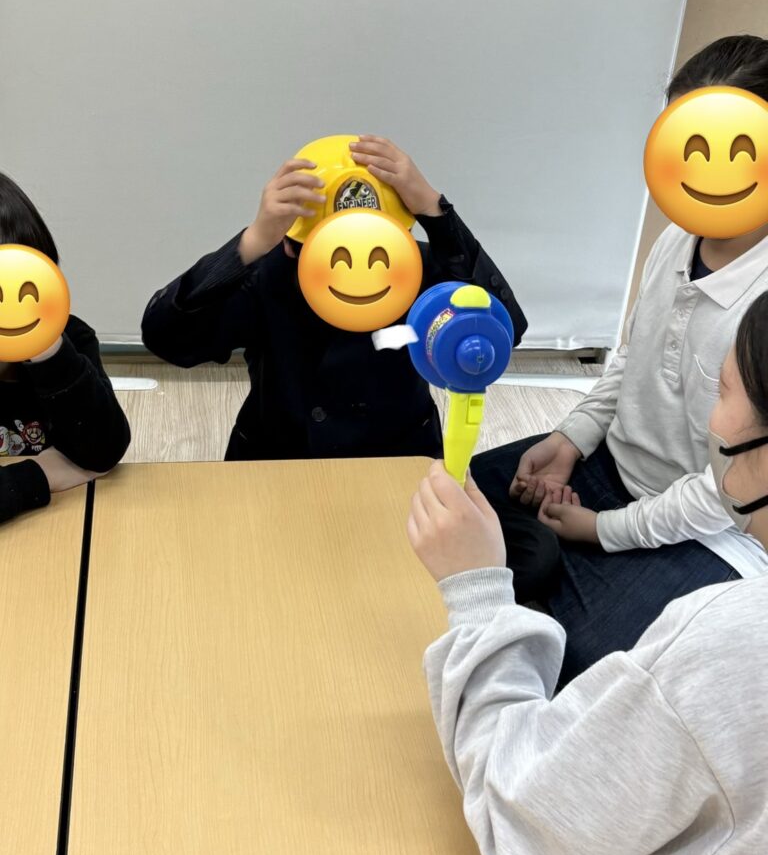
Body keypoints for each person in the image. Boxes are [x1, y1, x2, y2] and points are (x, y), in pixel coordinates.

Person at [407, 289, 768, 855]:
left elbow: (516, 814)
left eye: (723, 389)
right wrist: (571, 439)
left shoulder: (725, 647)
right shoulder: (675, 252)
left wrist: (477, 593)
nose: (711, 414)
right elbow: (627, 361)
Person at [471, 35, 768, 680]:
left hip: (707, 529)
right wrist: (570, 439)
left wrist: (603, 529)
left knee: (588, 667)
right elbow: (632, 360)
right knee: (460, 502)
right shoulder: (677, 238)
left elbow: (731, 489)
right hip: (611, 468)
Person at [142, 137, 526, 456]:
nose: (357, 271)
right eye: (334, 254)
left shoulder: (421, 270)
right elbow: (168, 339)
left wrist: (437, 213)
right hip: (279, 457)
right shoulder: (268, 276)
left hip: (398, 457)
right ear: (292, 246)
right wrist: (252, 242)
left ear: (402, 238)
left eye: (377, 251)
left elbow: (503, 331)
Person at [0, 172, 131, 524]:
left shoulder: (69, 340)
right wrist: (40, 474)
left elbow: (104, 450)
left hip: (63, 520)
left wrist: (48, 352)